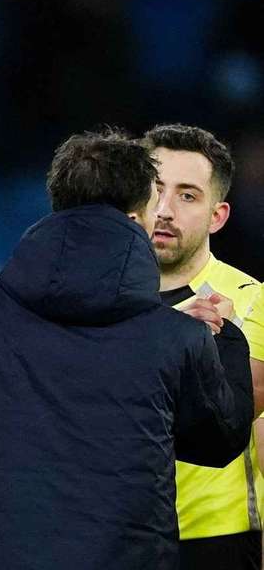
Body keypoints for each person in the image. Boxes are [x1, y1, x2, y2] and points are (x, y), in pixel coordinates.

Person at [0, 130, 254, 570]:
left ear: (57, 204)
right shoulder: (175, 338)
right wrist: (228, 336)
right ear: (140, 216)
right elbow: (217, 441)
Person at [141, 124, 264, 570]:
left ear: (218, 215)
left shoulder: (252, 301)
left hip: (216, 544)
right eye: (155, 189)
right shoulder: (96, 299)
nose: (165, 209)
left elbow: (224, 415)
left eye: (188, 195)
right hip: (115, 533)